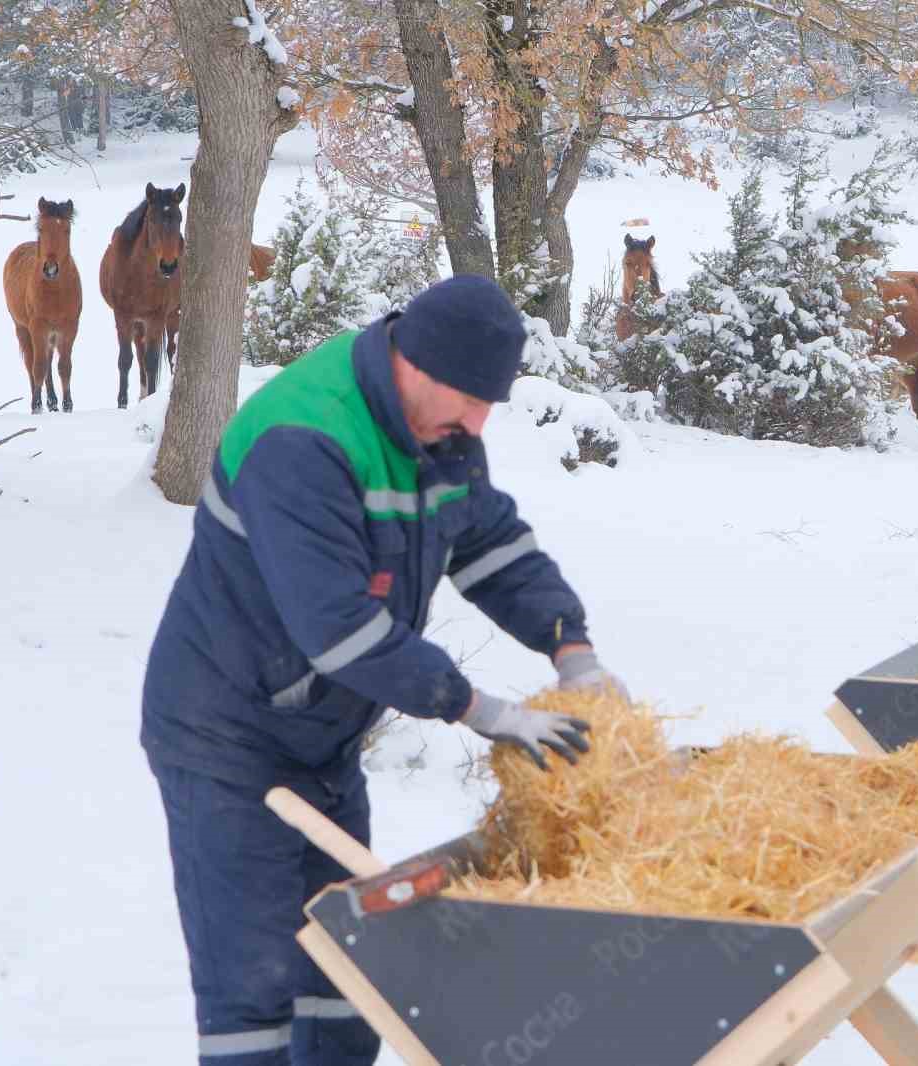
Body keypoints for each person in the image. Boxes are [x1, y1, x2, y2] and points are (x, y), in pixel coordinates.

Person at [140, 274, 627, 1065]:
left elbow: (491, 542)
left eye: (488, 407)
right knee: (254, 988)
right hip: (227, 738)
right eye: (471, 401)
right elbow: (336, 628)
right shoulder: (303, 440)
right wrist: (483, 711)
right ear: (420, 362)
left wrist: (573, 649)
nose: (478, 424)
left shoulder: (437, 429)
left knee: (349, 968)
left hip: (321, 738)